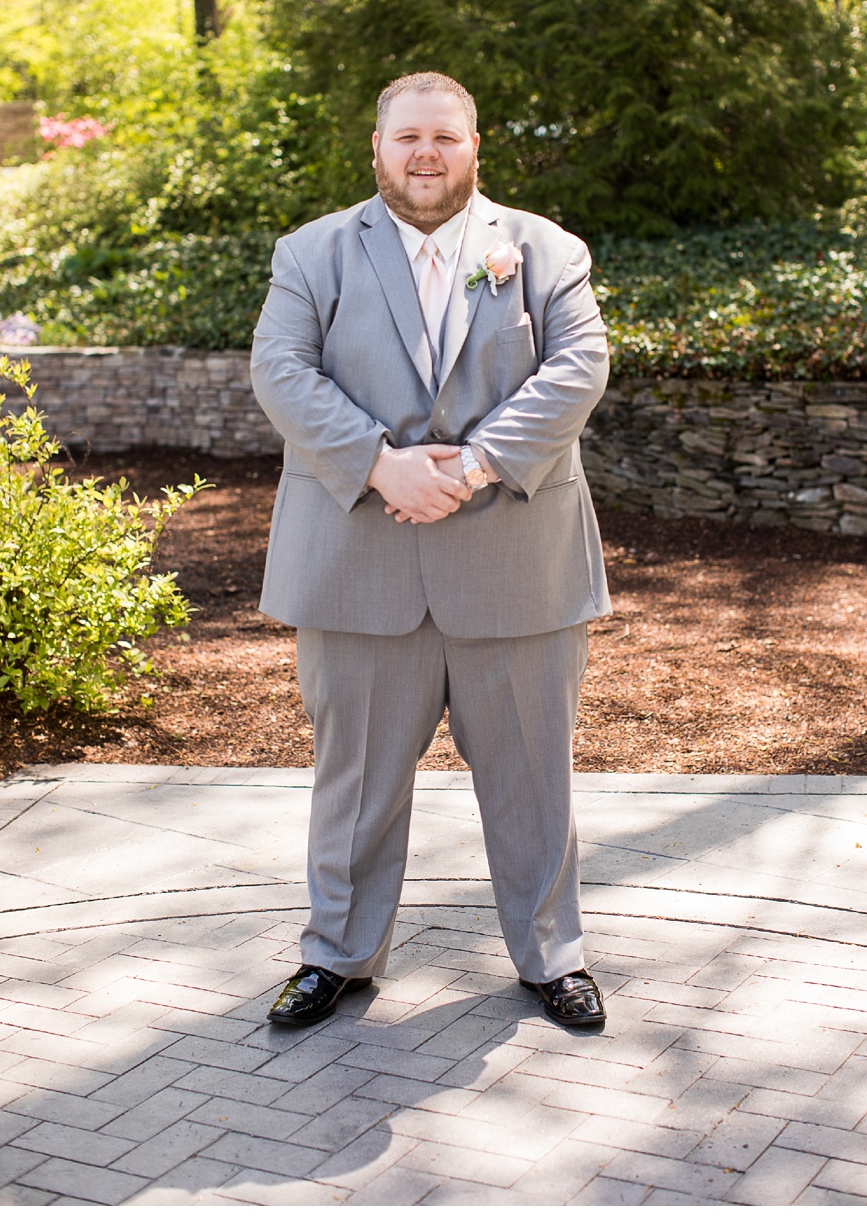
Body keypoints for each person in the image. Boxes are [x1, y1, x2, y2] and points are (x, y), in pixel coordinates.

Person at [249, 71, 612, 1031]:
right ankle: (338, 955)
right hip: (361, 561)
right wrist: (379, 466)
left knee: (537, 777)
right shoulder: (312, 252)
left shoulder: (544, 250)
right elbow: (280, 369)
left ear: (474, 145)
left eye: (444, 137)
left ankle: (552, 955)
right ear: (375, 148)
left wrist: (480, 461)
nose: (425, 153)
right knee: (354, 780)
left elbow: (579, 366)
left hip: (516, 561)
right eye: (407, 136)